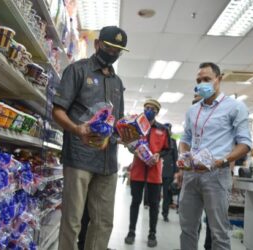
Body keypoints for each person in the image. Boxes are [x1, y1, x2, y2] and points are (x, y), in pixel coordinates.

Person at [52, 26, 130, 250]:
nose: (113, 54)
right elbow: (57, 111)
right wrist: (78, 129)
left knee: (103, 222)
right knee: (72, 220)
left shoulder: (117, 82)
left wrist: (128, 134)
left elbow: (118, 121)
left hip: (108, 162)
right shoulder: (78, 70)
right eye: (109, 48)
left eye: (118, 51)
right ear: (97, 45)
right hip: (80, 156)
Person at [177, 62, 252, 250]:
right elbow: (185, 139)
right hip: (192, 174)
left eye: (207, 79)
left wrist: (222, 161)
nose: (202, 83)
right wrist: (184, 157)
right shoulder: (193, 110)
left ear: (219, 79)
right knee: (187, 229)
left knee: (219, 232)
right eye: (199, 80)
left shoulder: (235, 107)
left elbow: (245, 144)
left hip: (217, 175)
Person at [124, 99, 170, 248]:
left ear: (157, 112)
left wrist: (159, 155)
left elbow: (168, 149)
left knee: (154, 205)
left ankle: (152, 234)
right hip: (137, 170)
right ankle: (131, 232)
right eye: (146, 107)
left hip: (154, 172)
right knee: (135, 202)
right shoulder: (136, 127)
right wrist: (134, 150)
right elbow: (129, 143)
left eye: (152, 108)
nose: (148, 110)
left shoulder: (163, 130)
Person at [160, 123, 178, 222]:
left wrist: (176, 172)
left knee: (167, 195)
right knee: (155, 194)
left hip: (168, 171)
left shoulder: (173, 141)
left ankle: (165, 213)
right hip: (158, 170)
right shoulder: (158, 139)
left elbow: (176, 157)